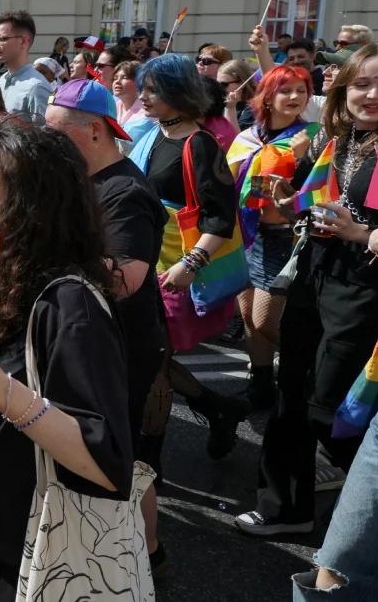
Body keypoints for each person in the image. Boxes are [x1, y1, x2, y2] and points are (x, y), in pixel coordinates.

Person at [0, 122, 136, 599]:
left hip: (23, 553)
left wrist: (1, 390)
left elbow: (105, 462)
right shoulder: (5, 283)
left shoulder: (71, 305)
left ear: (32, 202)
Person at [236, 44, 378, 536]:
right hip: (316, 275)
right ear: (343, 89)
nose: (373, 94)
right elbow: (312, 205)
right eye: (362, 84)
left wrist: (363, 234)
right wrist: (289, 205)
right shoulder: (336, 138)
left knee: (334, 409)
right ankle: (285, 509)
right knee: (292, 392)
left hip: (369, 293)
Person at [45, 80, 170, 570]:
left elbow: (124, 280)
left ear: (94, 131)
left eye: (57, 135)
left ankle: (150, 557)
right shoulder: (82, 180)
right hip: (96, 338)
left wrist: (49, 256)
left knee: (124, 457)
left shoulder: (126, 192)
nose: (48, 144)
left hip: (124, 345)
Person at [128, 54, 248, 468]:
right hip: (144, 262)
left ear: (178, 94)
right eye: (143, 88)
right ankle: (217, 406)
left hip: (173, 270)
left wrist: (189, 265)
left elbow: (221, 216)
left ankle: (149, 465)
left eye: (153, 90)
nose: (143, 97)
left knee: (154, 364)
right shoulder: (156, 134)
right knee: (147, 357)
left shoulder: (199, 145)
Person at [226, 65, 314, 410]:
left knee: (266, 320)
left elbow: (319, 193)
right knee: (247, 315)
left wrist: (303, 157)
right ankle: (261, 385)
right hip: (247, 233)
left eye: (301, 90)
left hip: (284, 237)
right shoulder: (247, 137)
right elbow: (228, 183)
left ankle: (308, 373)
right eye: (286, 90)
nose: (295, 97)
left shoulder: (310, 136)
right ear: (268, 96)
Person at [0, 10, 51, 116]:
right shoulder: (2, 80)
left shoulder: (36, 87)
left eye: (3, 39)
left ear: (23, 41)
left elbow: (45, 132)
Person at [219, 58, 259, 130]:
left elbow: (236, 138)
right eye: (217, 84)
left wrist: (230, 108)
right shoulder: (220, 100)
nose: (219, 88)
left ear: (241, 83)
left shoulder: (254, 107)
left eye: (223, 84)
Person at [112, 60, 145, 125]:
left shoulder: (148, 111)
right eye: (115, 78)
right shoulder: (112, 108)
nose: (117, 81)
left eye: (124, 77)